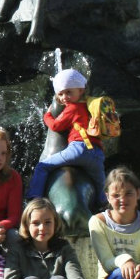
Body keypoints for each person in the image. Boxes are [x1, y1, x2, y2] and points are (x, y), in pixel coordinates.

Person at [27, 68, 105, 205]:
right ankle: (103, 205)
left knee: (43, 166)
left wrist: (47, 116)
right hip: (97, 153)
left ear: (81, 90)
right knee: (100, 183)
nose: (64, 97)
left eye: (69, 92)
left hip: (79, 149)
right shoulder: (89, 106)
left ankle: (34, 197)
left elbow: (56, 126)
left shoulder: (73, 108)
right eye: (61, 94)